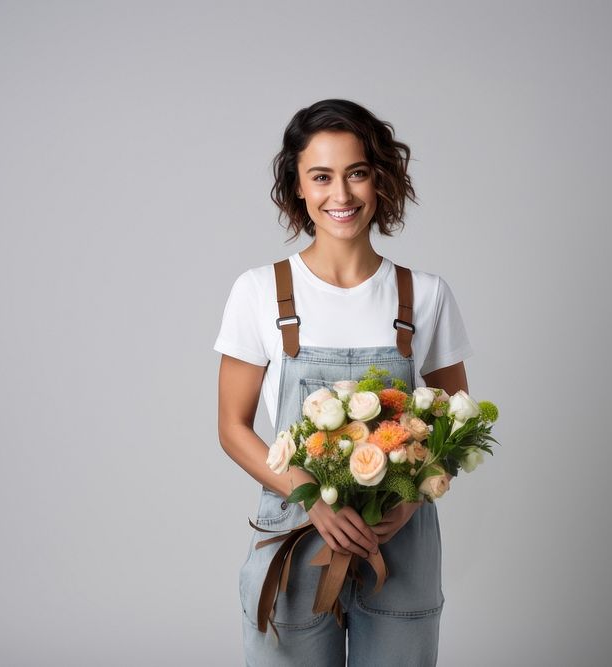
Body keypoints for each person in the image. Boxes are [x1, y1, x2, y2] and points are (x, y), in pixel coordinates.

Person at [214, 99, 473, 666]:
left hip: (399, 549)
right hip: (295, 541)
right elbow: (233, 428)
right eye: (322, 177)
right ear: (298, 187)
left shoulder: (424, 295)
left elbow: (458, 425)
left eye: (357, 173)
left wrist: (404, 507)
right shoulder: (259, 291)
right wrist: (314, 501)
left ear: (380, 179)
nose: (342, 194)